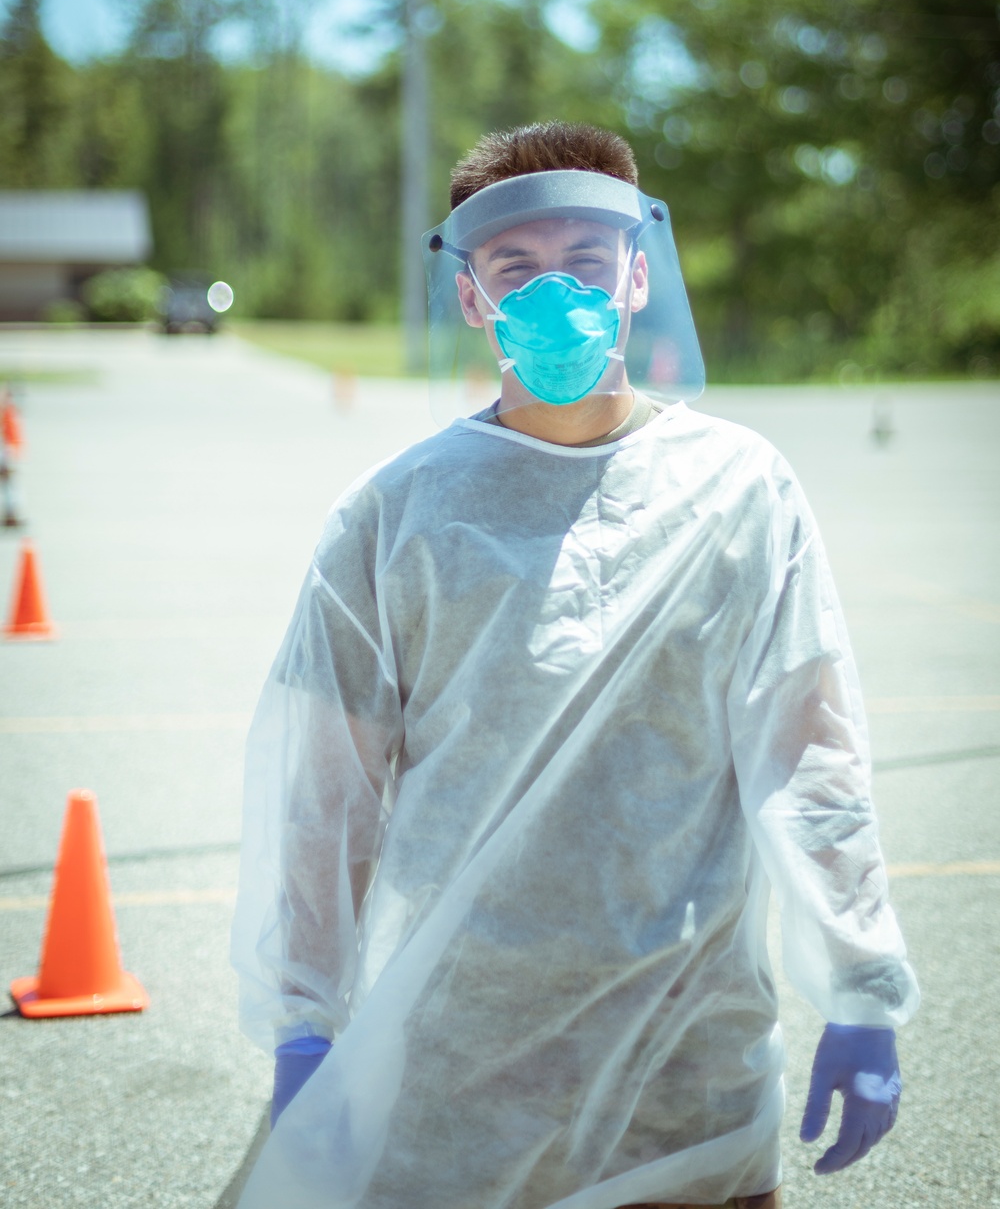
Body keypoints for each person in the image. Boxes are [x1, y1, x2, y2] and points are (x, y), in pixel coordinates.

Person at [231, 121, 918, 1209]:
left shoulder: (739, 488)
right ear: (470, 295)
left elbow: (812, 755)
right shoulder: (394, 513)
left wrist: (860, 982)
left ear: (637, 273)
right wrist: (305, 1018)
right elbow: (327, 797)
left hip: (689, 1047)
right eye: (516, 266)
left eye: (586, 262)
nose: (557, 291)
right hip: (462, 1054)